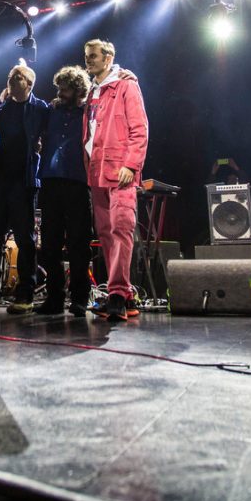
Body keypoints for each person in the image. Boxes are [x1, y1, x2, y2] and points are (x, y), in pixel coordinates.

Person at [0, 64, 50, 314]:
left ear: (29, 83)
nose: (11, 79)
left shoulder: (39, 108)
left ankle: (25, 294)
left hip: (23, 182)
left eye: (18, 76)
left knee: (25, 239)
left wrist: (40, 149)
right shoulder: (3, 106)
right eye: (10, 76)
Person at [83, 38, 148, 322]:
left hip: (120, 171)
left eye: (93, 56)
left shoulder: (126, 85)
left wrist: (131, 165)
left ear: (108, 58)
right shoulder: (92, 91)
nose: (88, 60)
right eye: (86, 56)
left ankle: (118, 295)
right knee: (106, 234)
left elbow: (139, 128)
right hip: (96, 172)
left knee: (121, 229)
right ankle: (122, 294)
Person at [35, 65, 94, 317]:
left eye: (65, 88)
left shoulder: (89, 112)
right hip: (50, 180)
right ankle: (54, 298)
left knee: (79, 243)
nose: (60, 92)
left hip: (78, 181)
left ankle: (80, 298)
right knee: (50, 243)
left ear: (78, 89)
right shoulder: (51, 110)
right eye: (59, 88)